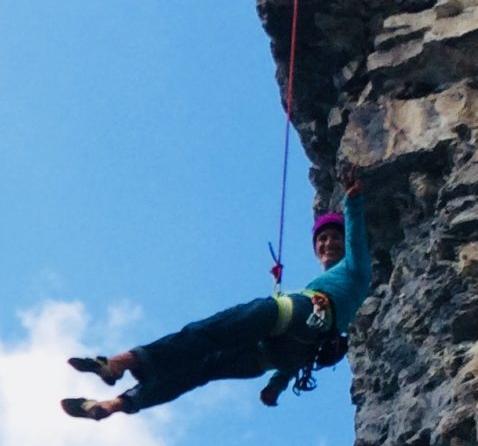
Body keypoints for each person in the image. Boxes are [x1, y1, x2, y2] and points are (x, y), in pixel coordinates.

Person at [62, 164, 370, 420]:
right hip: (276, 354)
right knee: (200, 369)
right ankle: (113, 405)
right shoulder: (338, 295)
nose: (327, 243)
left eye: (333, 238)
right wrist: (276, 386)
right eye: (321, 240)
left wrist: (352, 201)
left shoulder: (356, 272)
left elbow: (357, 242)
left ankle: (119, 362)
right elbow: (302, 353)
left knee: (206, 333)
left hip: (289, 316)